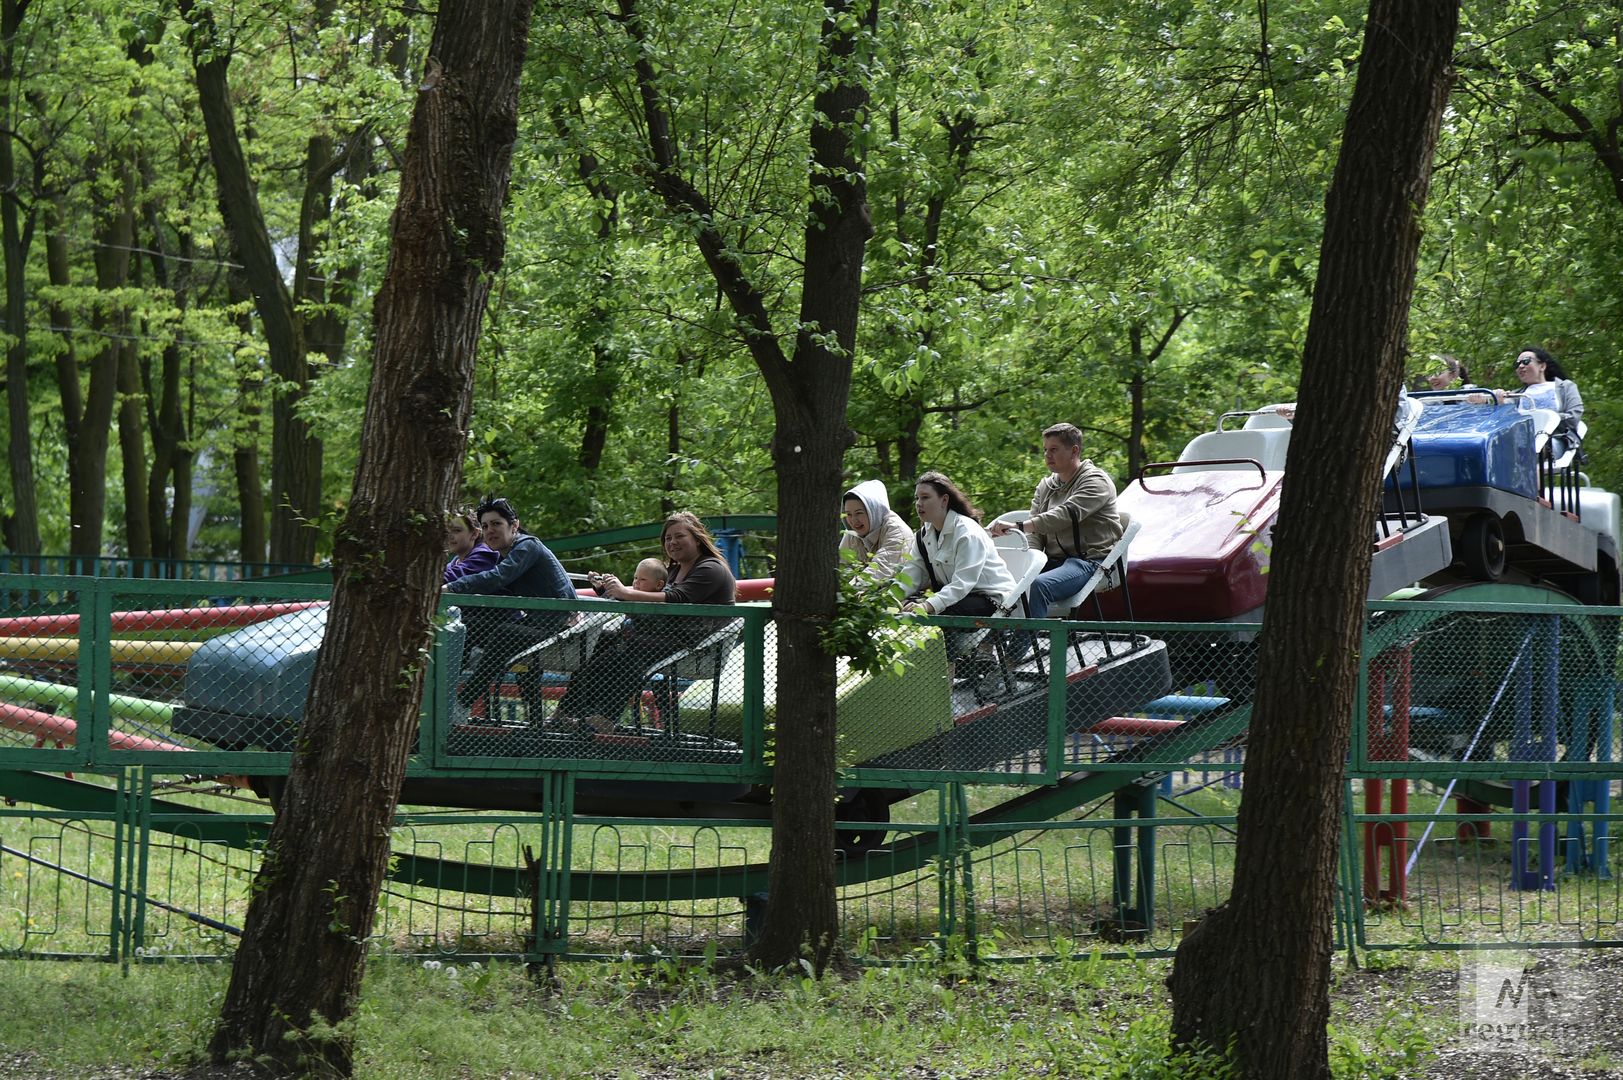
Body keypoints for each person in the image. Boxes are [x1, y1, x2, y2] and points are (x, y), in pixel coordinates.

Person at [555, 512, 737, 731]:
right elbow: (650, 603)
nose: (672, 542)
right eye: (668, 538)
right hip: (664, 636)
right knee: (597, 641)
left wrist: (627, 593)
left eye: (679, 536)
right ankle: (565, 713)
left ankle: (604, 718)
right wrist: (608, 590)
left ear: (697, 539)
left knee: (631, 648)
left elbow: (676, 600)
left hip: (696, 647)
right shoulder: (674, 570)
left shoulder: (710, 568)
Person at [444, 496, 576, 710]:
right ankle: (442, 688)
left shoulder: (527, 545)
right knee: (469, 625)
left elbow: (497, 577)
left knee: (505, 633)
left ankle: (463, 702)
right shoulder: (502, 554)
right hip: (536, 624)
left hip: (558, 627)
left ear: (514, 525)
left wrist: (451, 587)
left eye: (496, 524)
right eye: (485, 526)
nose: (490, 531)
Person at [990, 423, 1123, 629]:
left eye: (1054, 449)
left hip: (1090, 562)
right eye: (1045, 450)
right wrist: (1029, 563)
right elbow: (1035, 534)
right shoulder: (1046, 486)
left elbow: (1063, 516)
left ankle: (1013, 659)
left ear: (1074, 450)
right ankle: (987, 649)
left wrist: (1019, 526)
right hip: (1053, 561)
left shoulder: (1096, 481)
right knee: (1001, 582)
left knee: (1037, 587)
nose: (1047, 455)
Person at [897, 471, 1018, 623]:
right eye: (917, 498)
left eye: (925, 497)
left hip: (991, 600)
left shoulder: (968, 533)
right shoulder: (922, 536)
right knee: (904, 607)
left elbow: (962, 583)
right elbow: (911, 575)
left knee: (934, 614)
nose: (919, 503)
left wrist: (927, 606)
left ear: (944, 500)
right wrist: (887, 599)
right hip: (958, 597)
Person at [1489, 347, 1584, 456]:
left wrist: (1547, 418)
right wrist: (1498, 402)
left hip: (1553, 440)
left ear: (1542, 366)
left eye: (1526, 361)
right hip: (1519, 444)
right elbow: (1503, 423)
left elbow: (1573, 417)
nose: (1520, 366)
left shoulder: (1565, 387)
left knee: (1535, 447)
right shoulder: (1515, 396)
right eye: (1517, 364)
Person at [838, 480, 916, 584]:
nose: (853, 520)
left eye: (859, 513)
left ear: (874, 511)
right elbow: (841, 568)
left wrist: (848, 592)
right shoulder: (852, 534)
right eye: (849, 514)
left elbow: (880, 570)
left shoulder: (897, 531)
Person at [443, 508, 498, 585]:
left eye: (457, 530)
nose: (450, 536)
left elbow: (451, 577)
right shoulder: (454, 563)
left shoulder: (483, 557)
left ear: (474, 534)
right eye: (447, 531)